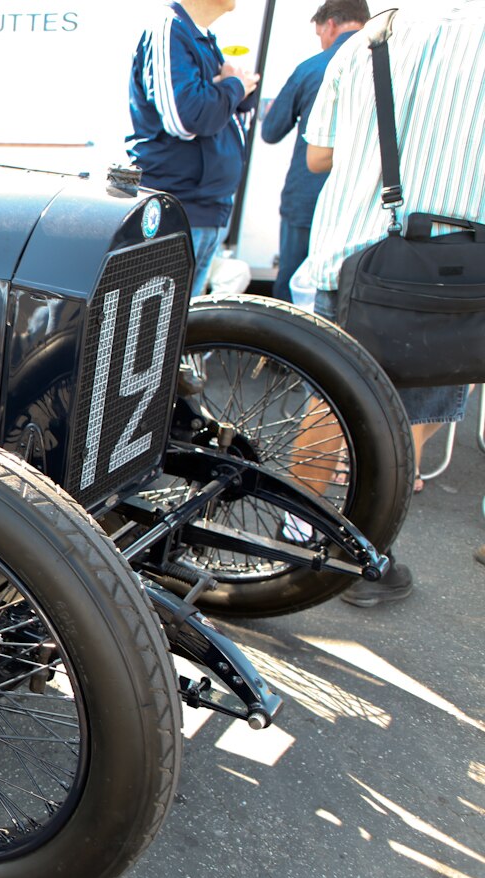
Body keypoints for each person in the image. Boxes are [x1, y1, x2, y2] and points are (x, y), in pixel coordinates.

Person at [302, 0, 485, 606]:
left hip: (355, 252)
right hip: (455, 267)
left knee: (331, 400)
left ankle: (296, 531)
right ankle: (366, 544)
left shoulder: (367, 39)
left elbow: (317, 155)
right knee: (421, 410)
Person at [128, 1, 260, 297]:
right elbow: (186, 118)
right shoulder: (169, 30)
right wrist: (234, 86)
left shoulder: (201, 37)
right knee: (163, 326)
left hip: (207, 208)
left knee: (185, 323)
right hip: (177, 208)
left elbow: (218, 109)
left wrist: (232, 89)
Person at [259, 0, 369, 302]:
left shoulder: (312, 69)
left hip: (307, 199)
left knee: (290, 289)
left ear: (331, 24)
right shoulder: (390, 68)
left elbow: (270, 131)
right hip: (362, 206)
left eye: (320, 33)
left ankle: (278, 350)